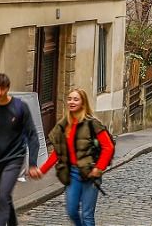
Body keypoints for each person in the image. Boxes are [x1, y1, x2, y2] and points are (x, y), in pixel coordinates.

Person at [0, 73, 43, 226]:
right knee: (6, 196)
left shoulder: (20, 107)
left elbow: (32, 135)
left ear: (8, 88)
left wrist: (32, 164)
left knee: (3, 196)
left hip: (15, 157)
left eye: (2, 89)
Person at [37, 88, 114, 226]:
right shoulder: (64, 125)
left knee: (87, 215)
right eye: (69, 99)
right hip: (72, 173)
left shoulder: (92, 124)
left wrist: (99, 168)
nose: (72, 102)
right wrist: (42, 170)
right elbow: (58, 152)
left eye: (76, 99)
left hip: (90, 173)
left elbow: (108, 147)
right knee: (72, 211)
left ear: (83, 103)